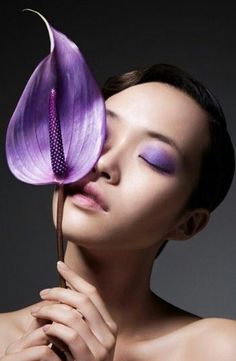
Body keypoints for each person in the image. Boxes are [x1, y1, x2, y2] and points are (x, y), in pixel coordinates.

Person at [0, 63, 235, 361]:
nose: (103, 164)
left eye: (153, 159)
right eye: (97, 135)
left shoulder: (219, 350)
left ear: (187, 223)